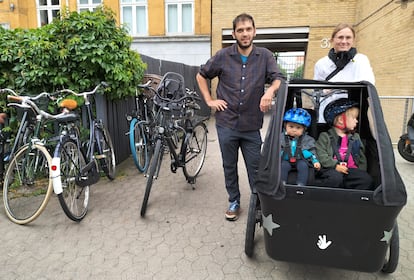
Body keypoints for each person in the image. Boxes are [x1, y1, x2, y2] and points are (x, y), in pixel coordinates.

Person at [196, 13, 284, 221]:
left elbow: (279, 78)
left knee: (255, 167)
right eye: (240, 30)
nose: (245, 34)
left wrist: (269, 92)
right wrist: (209, 100)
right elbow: (201, 75)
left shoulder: (264, 56)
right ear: (234, 33)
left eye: (248, 29)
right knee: (229, 165)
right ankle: (234, 200)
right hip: (226, 124)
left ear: (254, 31)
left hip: (251, 125)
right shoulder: (223, 56)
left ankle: (258, 202)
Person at [314, 23, 375, 123]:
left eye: (348, 37)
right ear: (332, 39)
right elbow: (316, 90)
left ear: (353, 40)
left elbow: (368, 83)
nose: (344, 41)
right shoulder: (321, 64)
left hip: (352, 113)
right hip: (327, 111)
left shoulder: (361, 60)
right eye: (340, 37)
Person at [315, 99, 373, 190]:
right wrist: (335, 166)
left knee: (366, 179)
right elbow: (321, 154)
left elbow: (361, 158)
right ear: (341, 120)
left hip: (350, 170)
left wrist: (360, 172)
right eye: (354, 118)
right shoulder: (325, 136)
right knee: (335, 178)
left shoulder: (355, 137)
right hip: (332, 169)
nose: (356, 121)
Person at [280, 108, 320, 186]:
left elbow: (312, 152)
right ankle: (282, 184)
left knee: (303, 166)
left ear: (304, 129)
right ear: (285, 126)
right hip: (285, 160)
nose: (294, 130)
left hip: (301, 160)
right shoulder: (280, 138)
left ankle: (301, 184)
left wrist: (315, 161)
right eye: (291, 127)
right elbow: (276, 151)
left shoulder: (308, 140)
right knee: (283, 166)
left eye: (298, 128)